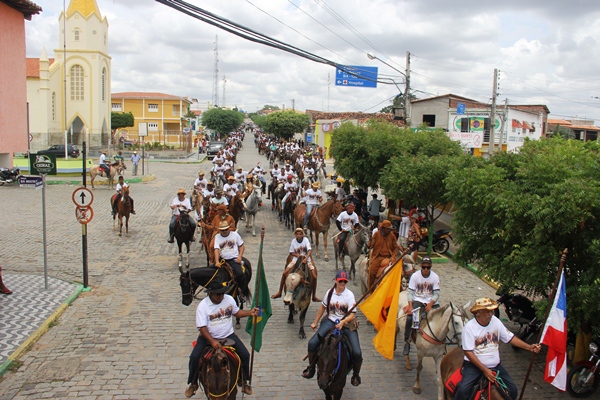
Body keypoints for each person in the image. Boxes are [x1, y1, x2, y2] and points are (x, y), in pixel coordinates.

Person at [453, 298, 541, 400]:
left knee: (513, 390)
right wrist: (485, 370)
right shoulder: (469, 327)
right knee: (463, 390)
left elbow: (510, 338)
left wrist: (529, 347)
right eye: (487, 311)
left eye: (492, 311)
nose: (491, 314)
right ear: (479, 312)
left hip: (496, 366)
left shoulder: (496, 321)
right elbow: (468, 352)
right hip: (475, 366)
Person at [185, 279, 258, 397]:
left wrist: (250, 313)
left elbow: (237, 312)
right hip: (208, 337)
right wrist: (212, 341)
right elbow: (202, 328)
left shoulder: (228, 300)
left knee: (245, 355)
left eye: (222, 293)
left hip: (228, 335)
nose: (220, 296)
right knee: (194, 357)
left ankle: (244, 381)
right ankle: (193, 383)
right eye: (218, 294)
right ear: (210, 294)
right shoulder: (203, 306)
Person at [302, 270, 362, 386]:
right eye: (340, 281)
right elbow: (322, 308)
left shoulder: (349, 295)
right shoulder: (329, 293)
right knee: (312, 343)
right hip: (330, 321)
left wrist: (343, 322)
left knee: (357, 351)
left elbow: (352, 314)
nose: (342, 283)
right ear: (336, 280)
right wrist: (315, 322)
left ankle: (356, 374)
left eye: (344, 281)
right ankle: (311, 368)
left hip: (346, 324)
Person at [402, 256, 440, 355]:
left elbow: (436, 293)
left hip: (431, 301)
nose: (426, 269)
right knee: (410, 319)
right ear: (421, 266)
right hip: (418, 300)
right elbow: (410, 292)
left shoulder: (435, 277)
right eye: (424, 267)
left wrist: (431, 304)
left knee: (440, 318)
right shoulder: (415, 276)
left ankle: (441, 342)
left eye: (428, 267)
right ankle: (407, 341)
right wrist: (410, 306)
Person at [271, 228, 321, 302]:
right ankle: (279, 292)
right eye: (297, 234)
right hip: (295, 260)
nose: (299, 235)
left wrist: (306, 258)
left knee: (314, 275)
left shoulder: (305, 240)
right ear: (295, 235)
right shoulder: (293, 241)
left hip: (306, 259)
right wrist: (297, 255)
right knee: (285, 273)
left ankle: (313, 295)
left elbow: (309, 250)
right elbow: (291, 252)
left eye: (300, 234)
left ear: (302, 235)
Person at [213, 221, 248, 300]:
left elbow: (242, 246)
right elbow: (216, 249)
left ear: (229, 228)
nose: (224, 231)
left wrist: (239, 257)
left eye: (226, 229)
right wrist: (217, 261)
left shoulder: (235, 235)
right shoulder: (217, 237)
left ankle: (241, 292)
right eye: (222, 230)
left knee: (240, 274)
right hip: (223, 260)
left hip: (233, 259)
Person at [367, 220, 398, 289]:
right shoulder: (377, 234)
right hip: (378, 256)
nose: (389, 230)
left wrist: (393, 256)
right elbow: (371, 245)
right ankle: (370, 288)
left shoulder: (392, 236)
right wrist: (370, 243)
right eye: (388, 229)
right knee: (372, 272)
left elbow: (396, 248)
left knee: (399, 270)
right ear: (383, 228)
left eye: (390, 229)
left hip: (389, 257)